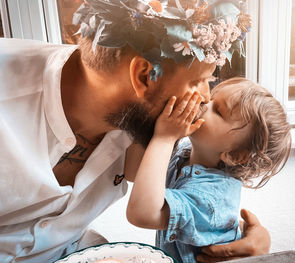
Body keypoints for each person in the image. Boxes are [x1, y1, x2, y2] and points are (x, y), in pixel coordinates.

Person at [0, 0, 270, 262]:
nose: (204, 97)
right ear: (143, 76)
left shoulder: (140, 117)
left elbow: (188, 177)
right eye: (197, 81)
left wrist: (250, 238)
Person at [126, 77, 292, 263]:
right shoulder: (185, 152)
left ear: (234, 155)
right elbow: (133, 172)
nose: (205, 102)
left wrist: (163, 138)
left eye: (219, 111)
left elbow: (141, 214)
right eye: (212, 98)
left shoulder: (211, 199)